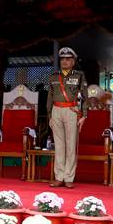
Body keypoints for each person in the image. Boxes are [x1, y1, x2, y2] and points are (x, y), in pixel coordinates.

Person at [47, 47, 88, 188]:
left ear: (73, 61)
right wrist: (49, 116)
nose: (64, 61)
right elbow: (49, 97)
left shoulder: (79, 75)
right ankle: (59, 177)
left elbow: (85, 96)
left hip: (72, 110)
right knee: (59, 145)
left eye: (68, 59)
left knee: (71, 145)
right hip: (56, 111)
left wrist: (84, 115)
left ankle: (69, 177)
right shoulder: (53, 76)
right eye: (62, 59)